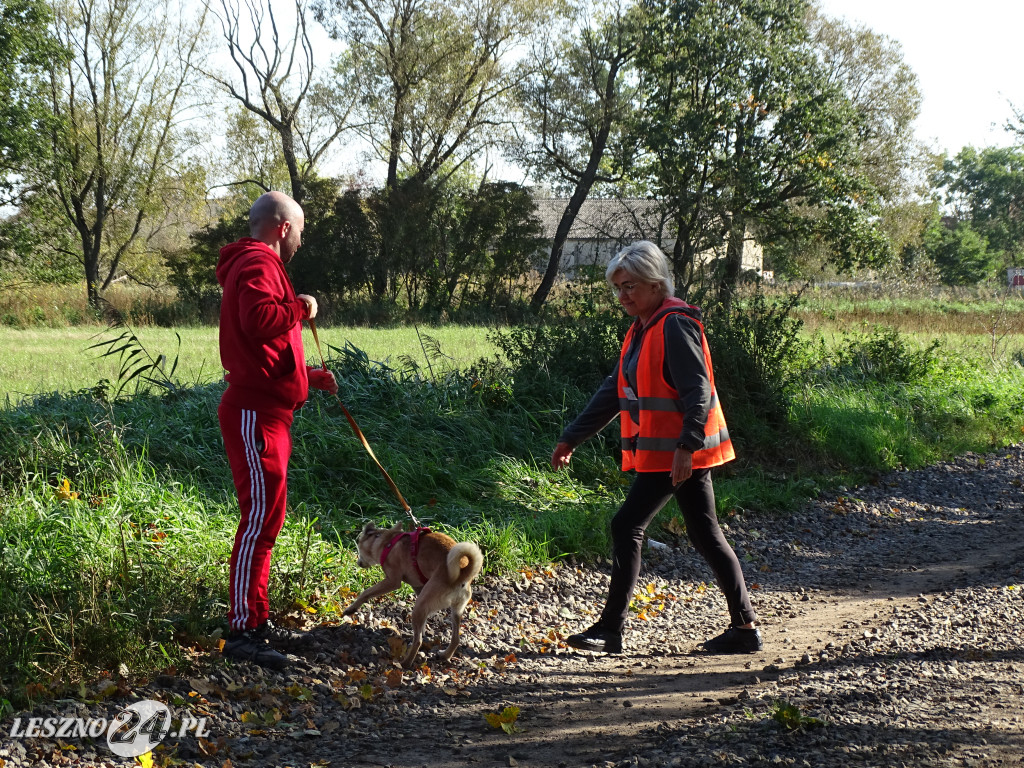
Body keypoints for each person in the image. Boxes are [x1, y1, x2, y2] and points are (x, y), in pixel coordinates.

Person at [551, 240, 761, 655]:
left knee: (626, 525)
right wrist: (571, 436)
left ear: (654, 284)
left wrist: (686, 445)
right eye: (618, 288)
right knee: (704, 534)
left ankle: (610, 630)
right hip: (672, 451)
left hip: (678, 452)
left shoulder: (674, 324)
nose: (622, 296)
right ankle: (744, 627)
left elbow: (697, 391)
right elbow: (613, 391)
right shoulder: (642, 329)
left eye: (629, 286)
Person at [217, 190, 338, 670]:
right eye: (301, 232)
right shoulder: (257, 263)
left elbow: (262, 350)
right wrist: (302, 307)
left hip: (269, 408)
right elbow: (260, 320)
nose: (302, 242)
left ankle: (256, 620)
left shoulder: (260, 266)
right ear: (283, 227)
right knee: (260, 519)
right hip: (254, 412)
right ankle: (244, 631)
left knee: (267, 518)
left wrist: (305, 377)